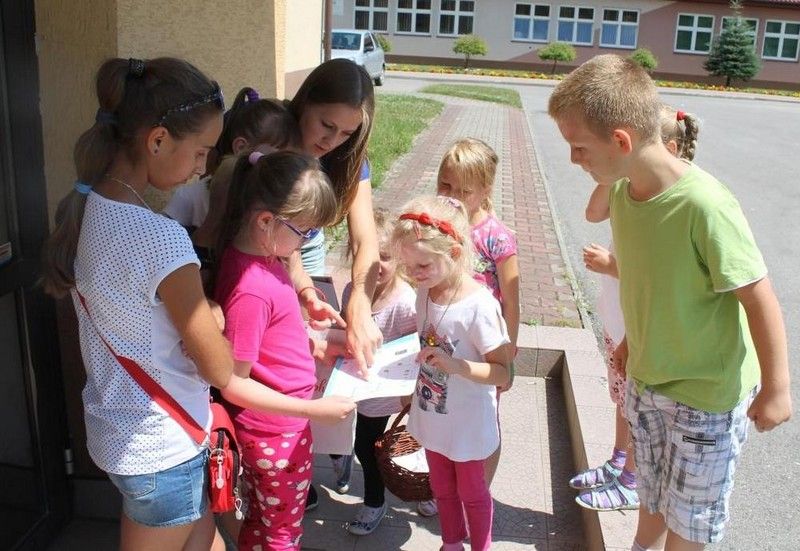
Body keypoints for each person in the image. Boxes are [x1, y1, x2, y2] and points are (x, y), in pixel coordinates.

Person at [548, 54, 792, 550]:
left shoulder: (705, 205)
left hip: (706, 398)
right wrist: (631, 344)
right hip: (648, 380)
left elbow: (758, 295)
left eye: (579, 147)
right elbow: (649, 284)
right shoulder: (623, 195)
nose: (574, 159)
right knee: (653, 489)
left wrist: (777, 388)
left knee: (691, 516)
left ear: (621, 141)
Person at [41, 57, 233, 551]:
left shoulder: (89, 207)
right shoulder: (160, 237)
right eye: (201, 152)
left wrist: (196, 313)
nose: (203, 167)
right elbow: (219, 368)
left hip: (124, 431)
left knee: (205, 540)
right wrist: (212, 320)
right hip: (163, 448)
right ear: (158, 140)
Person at [213, 150, 357, 550]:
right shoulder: (252, 288)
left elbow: (266, 345)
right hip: (275, 431)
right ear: (265, 221)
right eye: (304, 231)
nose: (305, 240)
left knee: (266, 523)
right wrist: (313, 411)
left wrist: (314, 337)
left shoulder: (265, 257)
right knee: (282, 533)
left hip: (278, 424)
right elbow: (234, 383)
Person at [571, 105, 701, 512]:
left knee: (637, 405)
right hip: (618, 316)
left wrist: (612, 265)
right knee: (621, 398)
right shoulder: (628, 189)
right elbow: (593, 213)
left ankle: (631, 480)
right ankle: (618, 462)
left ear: (668, 149)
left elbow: (660, 277)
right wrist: (612, 173)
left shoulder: (669, 204)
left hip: (639, 325)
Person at [394, 195, 511, 551]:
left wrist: (459, 366)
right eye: (408, 266)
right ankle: (451, 542)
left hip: (467, 421)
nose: (415, 274)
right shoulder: (425, 291)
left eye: (423, 265)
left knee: (472, 492)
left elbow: (504, 373)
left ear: (455, 253)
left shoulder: (479, 306)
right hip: (433, 414)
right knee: (442, 488)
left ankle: (481, 546)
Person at [335, 208, 431, 535]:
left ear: (401, 258)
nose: (377, 266)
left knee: (390, 444)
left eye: (386, 257)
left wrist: (412, 394)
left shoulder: (405, 303)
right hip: (362, 383)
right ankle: (369, 491)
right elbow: (347, 329)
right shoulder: (352, 292)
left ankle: (388, 498)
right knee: (364, 443)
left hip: (395, 389)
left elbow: (418, 350)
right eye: (369, 257)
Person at [287, 58, 382, 377]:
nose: (332, 142)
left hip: (306, 246)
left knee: (311, 338)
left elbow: (365, 240)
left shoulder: (349, 157)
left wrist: (360, 303)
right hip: (268, 247)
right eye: (326, 125)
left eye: (346, 133)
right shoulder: (274, 136)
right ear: (305, 102)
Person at [436, 137, 520, 486]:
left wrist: (507, 351)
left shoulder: (496, 238)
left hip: (484, 346)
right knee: (445, 408)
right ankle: (442, 483)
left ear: (485, 191)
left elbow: (511, 299)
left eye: (464, 191)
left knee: (484, 415)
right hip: (446, 338)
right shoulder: (438, 225)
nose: (453, 197)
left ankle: (480, 489)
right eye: (445, 185)